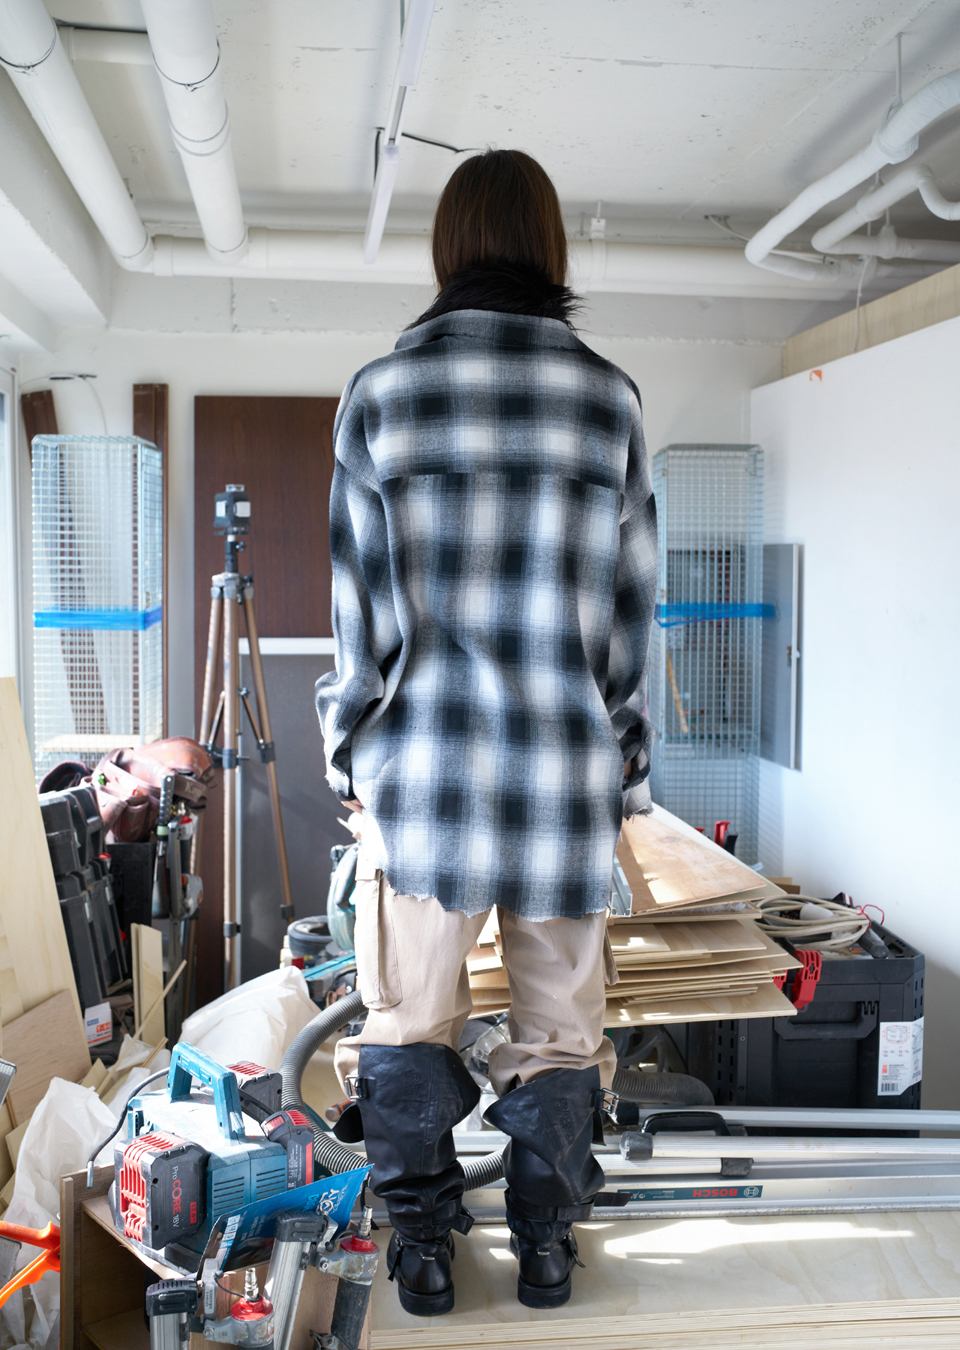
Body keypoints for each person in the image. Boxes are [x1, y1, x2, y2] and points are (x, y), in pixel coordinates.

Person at [316, 148, 657, 1317]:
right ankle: (546, 1250)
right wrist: (624, 768)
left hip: (423, 774)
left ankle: (422, 1251)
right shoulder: (609, 401)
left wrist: (349, 749)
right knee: (559, 1033)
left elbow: (357, 613)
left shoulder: (381, 396)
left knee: (410, 1018)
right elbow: (629, 618)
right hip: (561, 777)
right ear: (549, 247)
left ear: (447, 247)